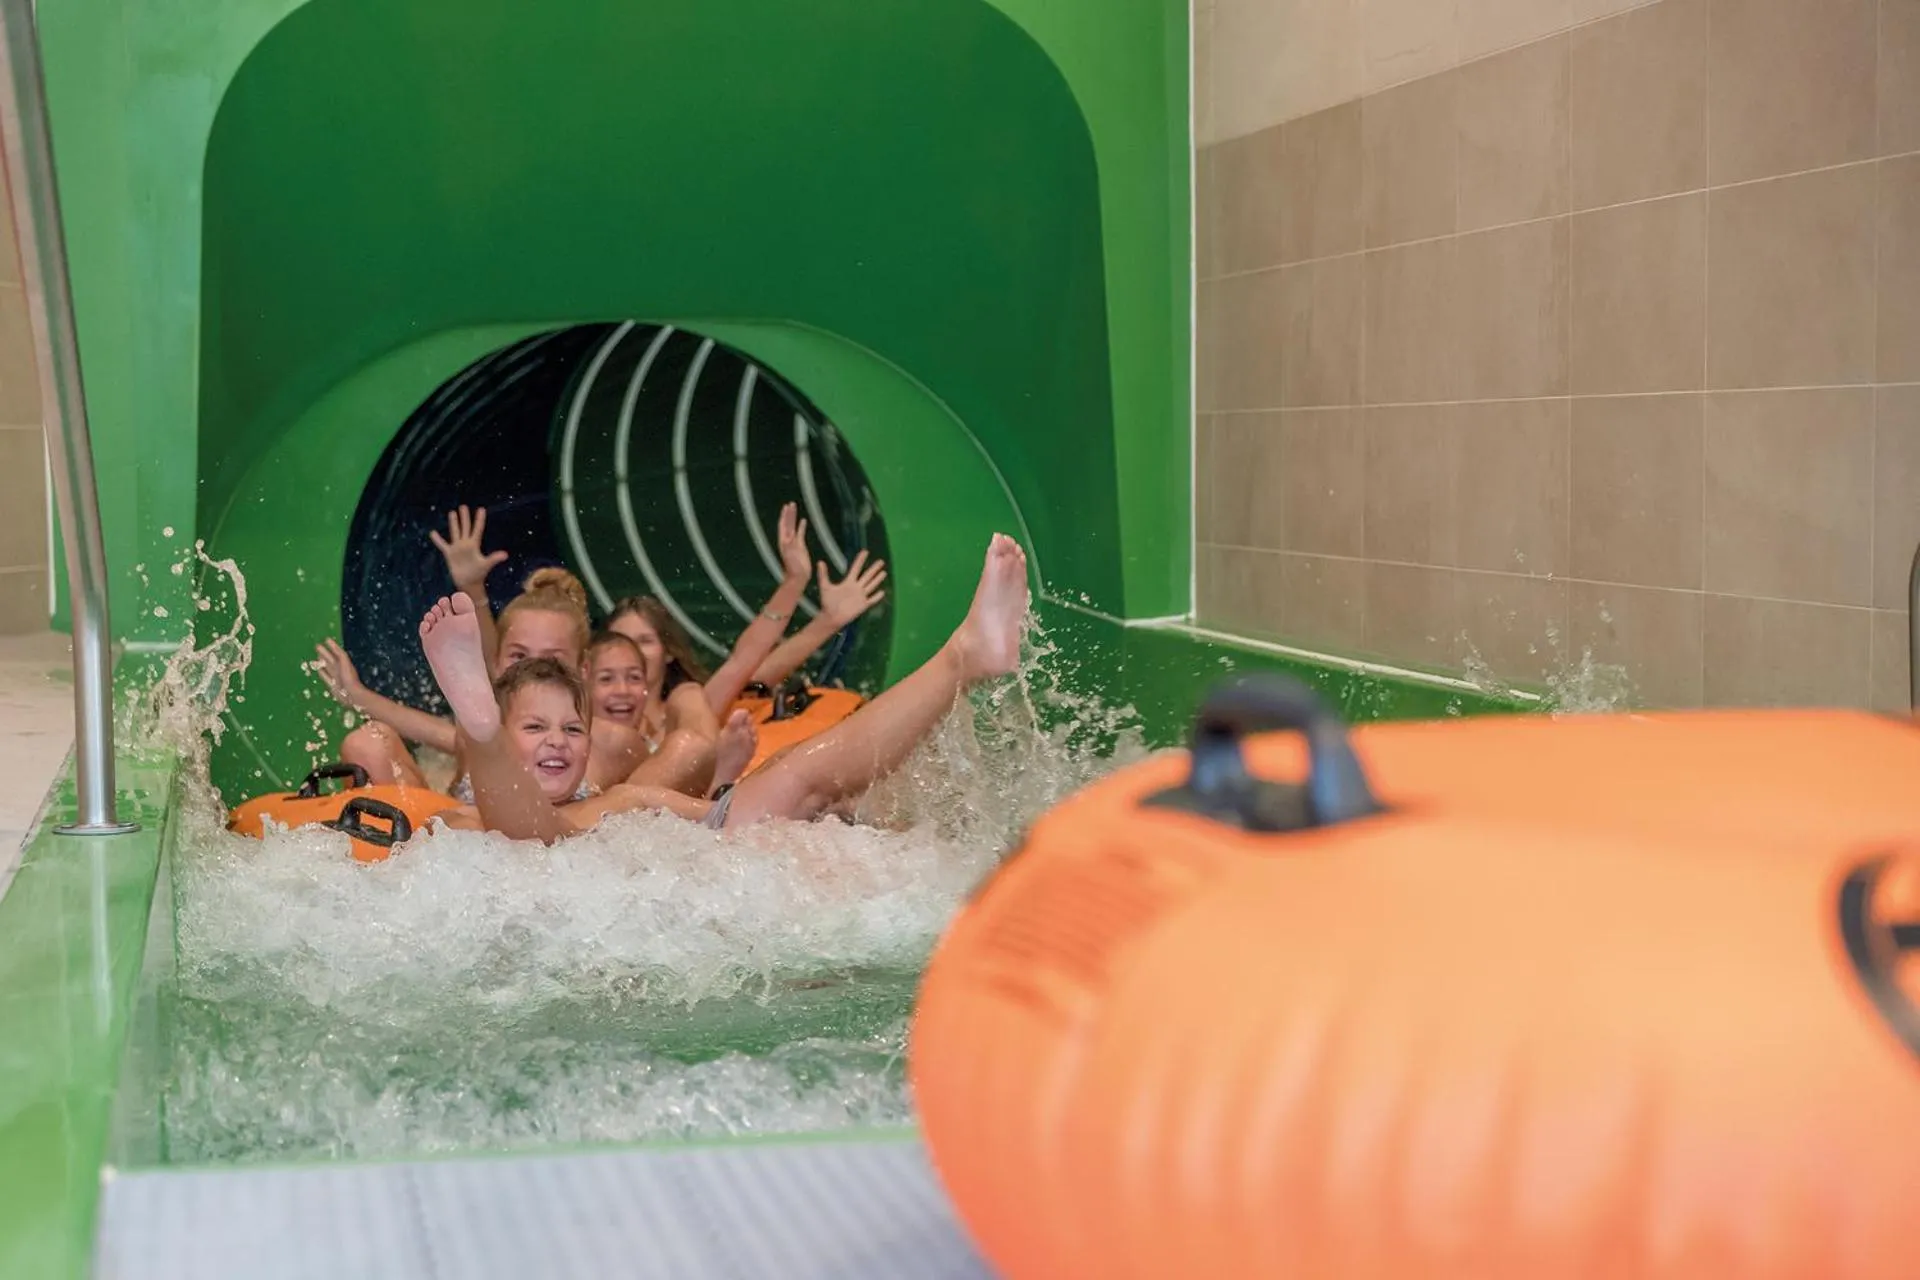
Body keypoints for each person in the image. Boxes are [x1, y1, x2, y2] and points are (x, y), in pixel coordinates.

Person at [428, 533, 1028, 840]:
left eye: (571, 728)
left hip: (627, 861)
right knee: (523, 833)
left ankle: (963, 656)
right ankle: (482, 730)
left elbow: (723, 818)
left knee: (794, 776)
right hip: (522, 839)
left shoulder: (623, 801)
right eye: (534, 728)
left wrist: (808, 807)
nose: (558, 740)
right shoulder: (462, 823)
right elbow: (512, 831)